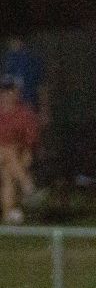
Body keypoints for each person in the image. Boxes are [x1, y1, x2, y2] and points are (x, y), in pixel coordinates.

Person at [0, 76, 39, 224]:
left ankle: (8, 214)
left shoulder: (24, 113)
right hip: (6, 153)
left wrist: (27, 153)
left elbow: (30, 139)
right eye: (4, 91)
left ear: (17, 92)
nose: (6, 94)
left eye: (10, 91)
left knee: (7, 174)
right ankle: (28, 188)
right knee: (7, 152)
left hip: (15, 156)